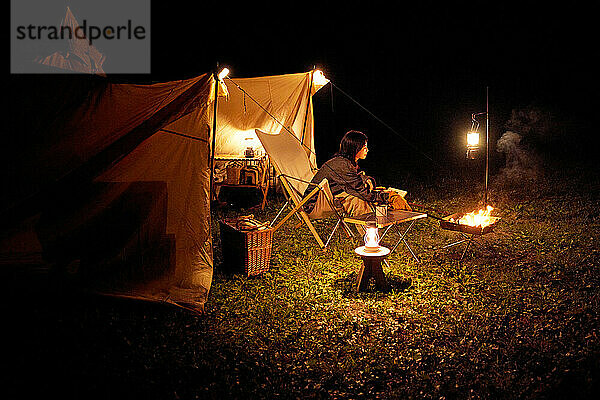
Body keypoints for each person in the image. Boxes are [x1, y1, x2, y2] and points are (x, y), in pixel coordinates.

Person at [304, 130, 411, 217]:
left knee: (362, 196)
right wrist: (387, 197)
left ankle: (371, 234)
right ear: (355, 148)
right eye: (364, 147)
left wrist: (369, 182)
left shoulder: (346, 162)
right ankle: (370, 237)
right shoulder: (342, 165)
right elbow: (361, 192)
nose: (367, 150)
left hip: (330, 196)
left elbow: (358, 178)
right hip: (314, 204)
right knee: (358, 201)